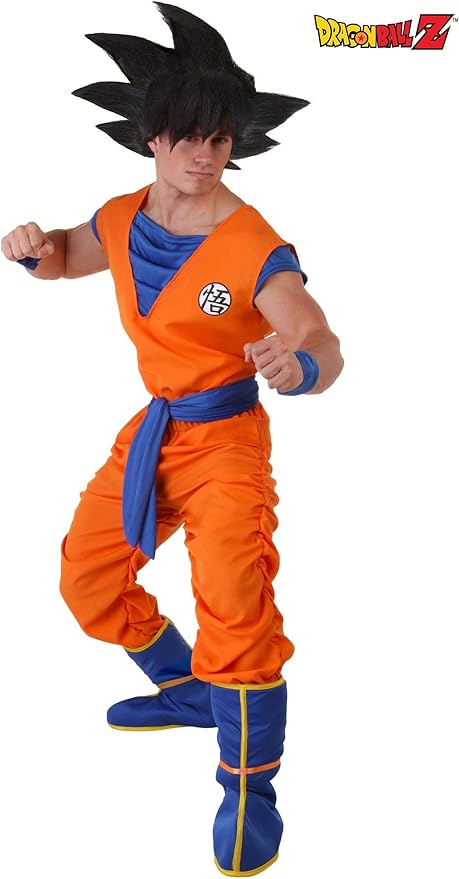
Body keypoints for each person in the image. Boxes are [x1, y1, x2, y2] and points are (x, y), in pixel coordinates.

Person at [1, 4, 343, 875]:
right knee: (86, 575)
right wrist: (34, 250)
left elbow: (316, 333)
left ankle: (249, 782)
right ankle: (187, 688)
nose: (204, 153)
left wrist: (299, 362)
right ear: (151, 137)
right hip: (155, 429)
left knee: (235, 600)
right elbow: (71, 255)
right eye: (188, 135)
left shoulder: (253, 244)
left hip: (226, 440)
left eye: (219, 138)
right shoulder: (124, 216)